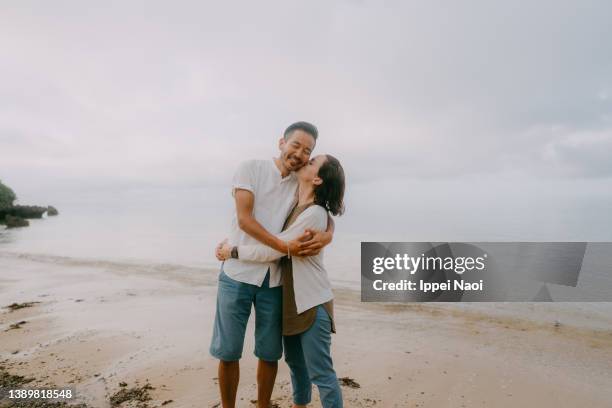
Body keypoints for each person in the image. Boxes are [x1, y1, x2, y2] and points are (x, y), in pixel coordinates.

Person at [209, 122, 335, 408]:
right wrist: (283, 247)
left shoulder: (299, 182)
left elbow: (319, 210)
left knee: (269, 353)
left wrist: (328, 234)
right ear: (281, 142)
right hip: (236, 274)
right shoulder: (250, 168)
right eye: (296, 145)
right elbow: (245, 219)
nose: (300, 154)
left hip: (274, 282)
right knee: (228, 352)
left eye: (308, 151)